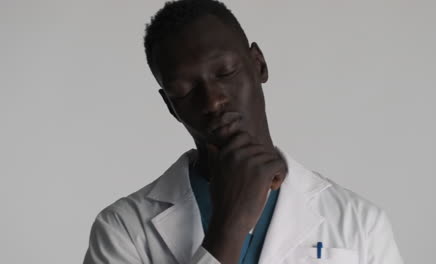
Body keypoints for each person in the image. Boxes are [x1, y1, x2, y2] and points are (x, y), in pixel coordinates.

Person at [83, 0, 404, 263]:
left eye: (225, 71)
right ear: (170, 105)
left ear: (259, 64)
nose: (213, 100)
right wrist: (229, 226)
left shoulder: (360, 222)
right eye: (184, 89)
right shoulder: (123, 229)